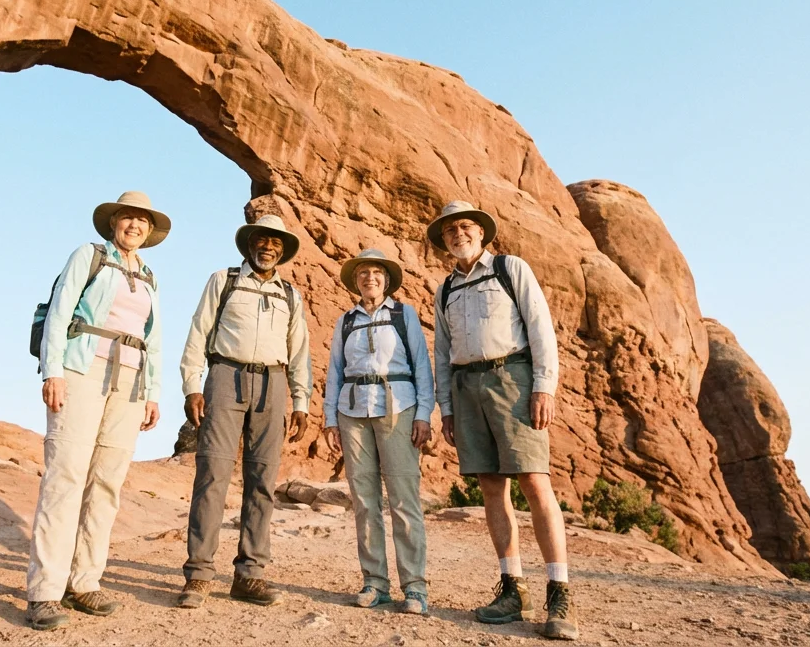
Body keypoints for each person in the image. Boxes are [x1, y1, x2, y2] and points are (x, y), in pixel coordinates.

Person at [428, 200, 579, 641]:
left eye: (465, 226)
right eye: (450, 230)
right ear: (444, 241)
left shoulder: (510, 269)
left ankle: (560, 593)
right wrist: (447, 407)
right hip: (465, 386)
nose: (458, 234)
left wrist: (543, 387)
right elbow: (441, 352)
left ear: (481, 232)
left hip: (512, 379)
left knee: (535, 482)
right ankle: (512, 589)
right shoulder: (446, 289)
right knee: (493, 489)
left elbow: (540, 327)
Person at [26, 191, 170, 631]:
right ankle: (45, 592)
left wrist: (153, 392)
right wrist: (53, 371)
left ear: (149, 231)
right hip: (83, 368)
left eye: (142, 221)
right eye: (128, 218)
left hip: (129, 381)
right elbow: (60, 311)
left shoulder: (148, 274)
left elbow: (155, 336)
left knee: (106, 482)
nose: (135, 226)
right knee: (66, 476)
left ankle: (85, 582)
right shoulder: (87, 256)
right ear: (113, 223)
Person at [176, 214, 312, 608]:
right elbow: (198, 332)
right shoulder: (225, 280)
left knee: (263, 480)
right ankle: (199, 575)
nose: (268, 246)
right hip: (224, 376)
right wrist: (191, 386)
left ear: (283, 250)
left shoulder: (290, 294)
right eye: (262, 240)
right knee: (212, 474)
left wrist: (301, 401)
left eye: (276, 242)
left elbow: (299, 349)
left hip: (273, 383)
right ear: (250, 243)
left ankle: (249, 575)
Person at [322, 249, 435, 615]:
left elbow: (421, 364)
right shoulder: (345, 322)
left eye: (376, 272)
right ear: (355, 281)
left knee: (404, 499)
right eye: (363, 273)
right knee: (365, 501)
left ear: (386, 280)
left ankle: (415, 588)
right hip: (352, 410)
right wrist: (329, 419)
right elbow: (335, 370)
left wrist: (424, 414)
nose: (370, 277)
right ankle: (375, 582)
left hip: (398, 408)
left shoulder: (404, 315)